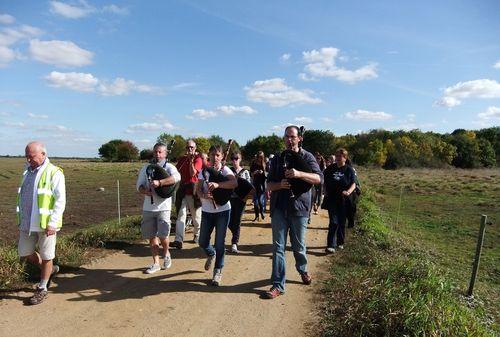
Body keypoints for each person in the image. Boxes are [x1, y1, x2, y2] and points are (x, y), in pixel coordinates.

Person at [265, 126, 323, 299]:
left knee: (298, 246)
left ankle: (302, 269)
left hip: (299, 208)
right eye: (287, 137)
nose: (289, 140)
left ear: (299, 139)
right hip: (279, 208)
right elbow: (268, 185)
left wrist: (298, 173)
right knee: (278, 248)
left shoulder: (307, 157)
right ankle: (278, 285)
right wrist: (279, 185)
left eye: (293, 137)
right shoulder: (277, 159)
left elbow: (319, 178)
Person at [17, 141, 66, 305]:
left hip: (46, 224)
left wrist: (52, 223)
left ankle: (42, 287)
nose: (28, 159)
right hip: (27, 223)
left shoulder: (54, 172)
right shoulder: (27, 171)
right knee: (24, 253)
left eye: (31, 156)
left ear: (43, 154)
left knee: (47, 255)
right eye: (27, 156)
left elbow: (60, 200)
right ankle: (50, 270)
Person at [196, 145, 237, 286]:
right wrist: (204, 195)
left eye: (217, 155)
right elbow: (198, 190)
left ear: (221, 156)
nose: (215, 157)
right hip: (207, 211)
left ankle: (218, 271)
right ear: (209, 156)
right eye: (212, 154)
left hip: (223, 211)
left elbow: (234, 183)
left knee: (220, 243)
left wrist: (218, 185)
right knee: (202, 241)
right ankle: (210, 253)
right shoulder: (204, 171)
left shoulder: (225, 170)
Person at [137, 142, 180, 273]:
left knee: (163, 235)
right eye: (156, 151)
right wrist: (146, 191)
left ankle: (166, 253)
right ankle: (156, 263)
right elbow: (139, 186)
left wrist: (160, 182)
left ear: (165, 153)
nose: (158, 154)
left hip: (164, 207)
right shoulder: (146, 168)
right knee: (151, 237)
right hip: (148, 208)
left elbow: (177, 177)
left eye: (160, 152)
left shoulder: (169, 167)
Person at [322, 148, 356, 253]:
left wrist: (348, 192)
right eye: (336, 156)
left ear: (345, 158)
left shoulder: (349, 170)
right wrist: (324, 191)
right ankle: (330, 245)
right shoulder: (330, 168)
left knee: (341, 222)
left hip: (344, 200)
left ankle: (340, 242)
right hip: (332, 199)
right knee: (333, 222)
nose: (337, 158)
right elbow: (324, 181)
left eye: (340, 156)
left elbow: (354, 184)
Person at [172, 139, 203, 248]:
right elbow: (175, 171)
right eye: (188, 147)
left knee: (196, 216)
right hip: (183, 190)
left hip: (194, 191)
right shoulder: (182, 159)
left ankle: (197, 235)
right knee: (181, 215)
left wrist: (191, 161)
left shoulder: (198, 159)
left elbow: (192, 173)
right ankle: (179, 240)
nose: (189, 149)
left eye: (192, 147)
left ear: (195, 149)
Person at [228, 151, 251, 253]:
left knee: (237, 221)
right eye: (232, 158)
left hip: (241, 200)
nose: (234, 161)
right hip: (229, 199)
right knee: (228, 221)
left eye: (236, 158)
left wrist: (245, 198)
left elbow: (249, 188)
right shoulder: (228, 171)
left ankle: (234, 243)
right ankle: (235, 234)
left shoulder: (245, 172)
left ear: (240, 159)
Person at [250, 151, 266, 221]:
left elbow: (267, 175)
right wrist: (255, 172)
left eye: (261, 157)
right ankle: (256, 216)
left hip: (262, 185)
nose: (259, 158)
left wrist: (263, 172)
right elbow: (251, 174)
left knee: (260, 201)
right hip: (255, 184)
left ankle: (262, 212)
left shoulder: (264, 164)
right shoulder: (253, 163)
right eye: (258, 157)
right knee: (255, 203)